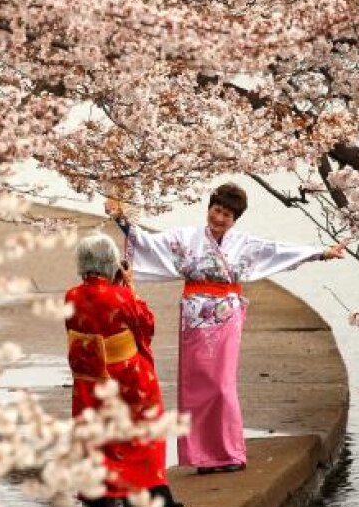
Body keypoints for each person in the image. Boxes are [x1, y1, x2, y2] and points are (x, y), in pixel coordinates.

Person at [106, 183, 345, 475]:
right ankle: (201, 455)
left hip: (226, 314)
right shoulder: (185, 237)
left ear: (235, 219)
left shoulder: (243, 244)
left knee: (222, 384)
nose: (219, 218)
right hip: (195, 313)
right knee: (195, 386)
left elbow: (276, 252)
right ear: (209, 208)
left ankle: (228, 451)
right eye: (217, 210)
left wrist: (320, 253)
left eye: (227, 215)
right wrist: (121, 219)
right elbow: (148, 244)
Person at [65, 233, 184, 507]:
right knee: (141, 432)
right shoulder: (122, 295)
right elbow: (146, 325)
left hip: (90, 375)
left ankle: (99, 504)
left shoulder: (71, 295)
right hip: (126, 374)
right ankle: (141, 498)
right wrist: (130, 285)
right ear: (112, 263)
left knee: (99, 437)